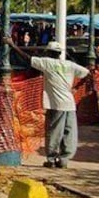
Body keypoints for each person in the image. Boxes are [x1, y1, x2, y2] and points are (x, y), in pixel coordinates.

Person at [7, 38, 89, 168]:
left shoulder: (47, 63)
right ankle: (64, 159)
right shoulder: (69, 65)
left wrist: (12, 45)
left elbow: (28, 58)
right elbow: (87, 74)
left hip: (55, 104)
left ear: (49, 53)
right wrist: (76, 87)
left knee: (54, 132)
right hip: (69, 104)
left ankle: (51, 159)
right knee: (69, 133)